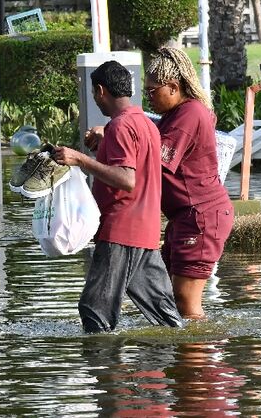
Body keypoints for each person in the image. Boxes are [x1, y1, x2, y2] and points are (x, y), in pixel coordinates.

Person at [53, 60, 182, 332]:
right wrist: (104, 143)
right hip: (145, 233)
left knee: (94, 311)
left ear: (101, 90)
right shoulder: (145, 124)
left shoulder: (121, 127)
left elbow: (127, 179)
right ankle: (182, 360)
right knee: (167, 319)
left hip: (120, 232)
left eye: (93, 94)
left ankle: (106, 371)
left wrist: (79, 159)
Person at [144, 47, 234, 320]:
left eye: (152, 91)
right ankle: (183, 360)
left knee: (186, 303)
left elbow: (158, 158)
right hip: (186, 216)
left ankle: (203, 360)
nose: (148, 97)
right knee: (170, 297)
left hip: (201, 216)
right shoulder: (177, 114)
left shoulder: (189, 113)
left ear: (173, 87)